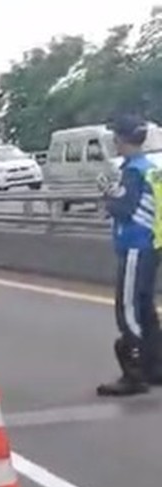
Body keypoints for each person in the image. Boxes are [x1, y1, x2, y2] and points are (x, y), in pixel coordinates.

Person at [97, 114, 162, 396]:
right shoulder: (151, 168)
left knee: (128, 308)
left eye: (115, 137)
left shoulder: (133, 171)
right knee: (146, 308)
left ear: (122, 140)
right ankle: (155, 366)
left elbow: (124, 209)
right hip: (151, 243)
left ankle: (133, 372)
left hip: (136, 244)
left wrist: (107, 196)